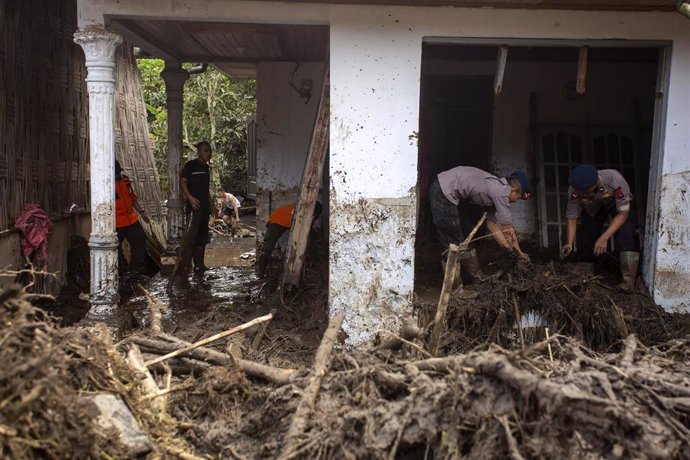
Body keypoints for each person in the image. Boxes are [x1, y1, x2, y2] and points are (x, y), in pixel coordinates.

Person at [429, 166, 533, 296]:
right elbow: (508, 230)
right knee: (452, 241)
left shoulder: (497, 190)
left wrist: (507, 247)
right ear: (514, 190)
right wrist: (519, 253)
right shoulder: (502, 192)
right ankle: (455, 289)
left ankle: (477, 277)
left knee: (467, 232)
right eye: (516, 198)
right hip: (443, 191)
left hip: (453, 194)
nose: (513, 202)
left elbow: (492, 225)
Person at [560, 164, 638, 292]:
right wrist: (569, 243)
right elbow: (572, 217)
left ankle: (627, 283)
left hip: (617, 207)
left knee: (626, 233)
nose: (579, 194)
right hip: (594, 207)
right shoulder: (575, 189)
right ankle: (584, 277)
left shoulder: (615, 180)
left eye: (583, 192)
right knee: (587, 236)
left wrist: (604, 237)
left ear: (595, 183)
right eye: (578, 191)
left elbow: (623, 214)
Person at [175, 141, 216, 277]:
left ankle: (200, 265)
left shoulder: (206, 168)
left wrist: (211, 205)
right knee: (190, 238)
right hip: (194, 207)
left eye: (209, 151)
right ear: (198, 151)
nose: (208, 153)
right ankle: (185, 268)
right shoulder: (191, 165)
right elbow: (182, 183)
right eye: (205, 151)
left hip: (204, 206)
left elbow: (206, 189)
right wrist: (191, 199)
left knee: (202, 237)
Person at [256, 201, 322, 277]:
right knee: (267, 248)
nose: (315, 217)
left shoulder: (305, 211)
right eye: (315, 215)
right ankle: (260, 273)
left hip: (281, 219)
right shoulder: (301, 211)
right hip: (276, 220)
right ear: (313, 210)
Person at [115, 160, 149, 279]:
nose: (118, 175)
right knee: (115, 249)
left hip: (131, 219)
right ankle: (119, 274)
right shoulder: (106, 184)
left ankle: (133, 270)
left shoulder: (125, 180)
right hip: (116, 222)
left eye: (119, 173)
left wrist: (142, 212)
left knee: (140, 242)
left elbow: (132, 198)